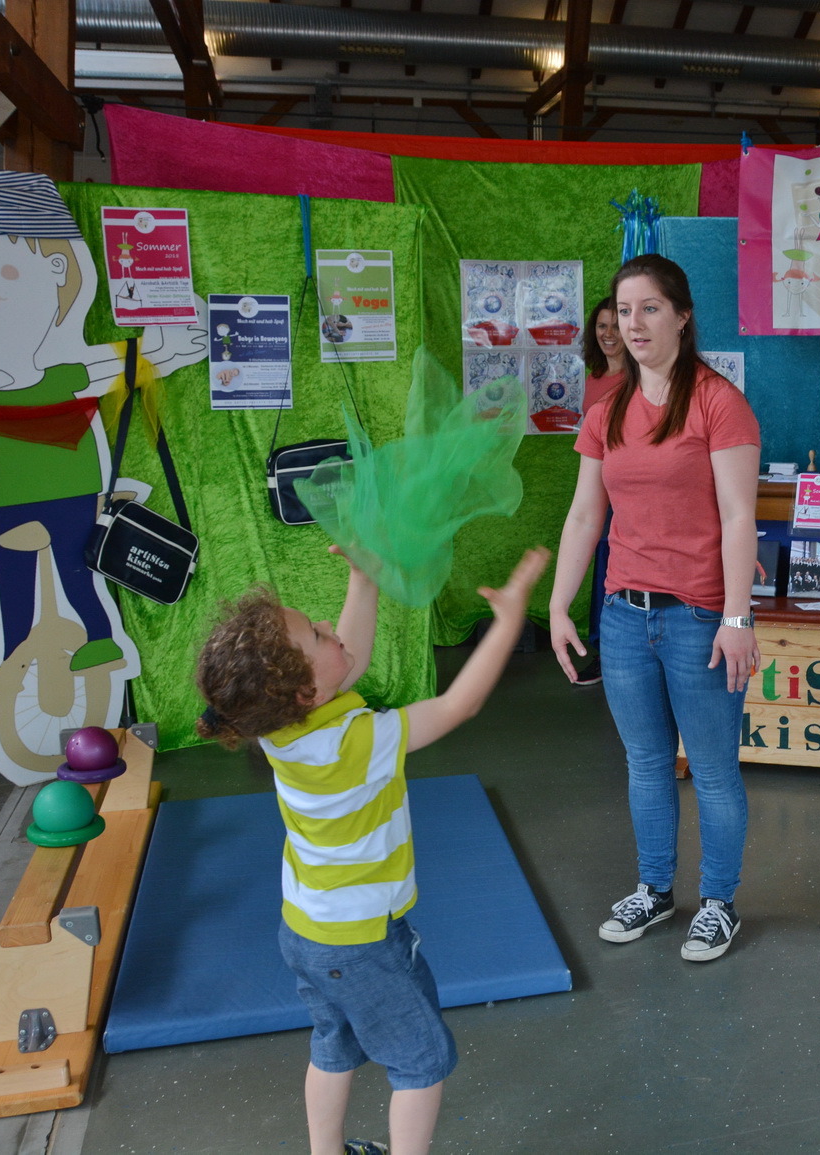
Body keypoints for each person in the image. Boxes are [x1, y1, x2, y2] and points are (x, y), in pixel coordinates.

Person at [195, 543, 550, 1155]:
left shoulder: (279, 726)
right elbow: (458, 705)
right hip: (360, 943)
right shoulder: (355, 742)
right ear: (304, 690)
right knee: (420, 1062)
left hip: (305, 932)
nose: (327, 624)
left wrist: (363, 581)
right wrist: (508, 622)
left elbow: (343, 664)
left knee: (334, 1045)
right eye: (316, 633)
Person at [548, 253, 761, 963]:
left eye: (649, 308)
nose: (632, 324)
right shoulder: (606, 411)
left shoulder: (718, 403)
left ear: (682, 315)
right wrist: (559, 606)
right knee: (645, 764)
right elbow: (585, 516)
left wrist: (737, 618)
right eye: (623, 310)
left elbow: (738, 517)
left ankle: (719, 903)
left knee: (713, 769)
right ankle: (655, 890)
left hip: (699, 618)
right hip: (623, 616)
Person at [571, 298, 628, 687]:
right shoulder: (593, 378)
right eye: (602, 326)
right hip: (597, 491)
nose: (609, 334)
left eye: (616, 326)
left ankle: (620, 650)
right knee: (602, 568)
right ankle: (604, 650)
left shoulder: (640, 379)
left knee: (619, 566)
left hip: (628, 492)